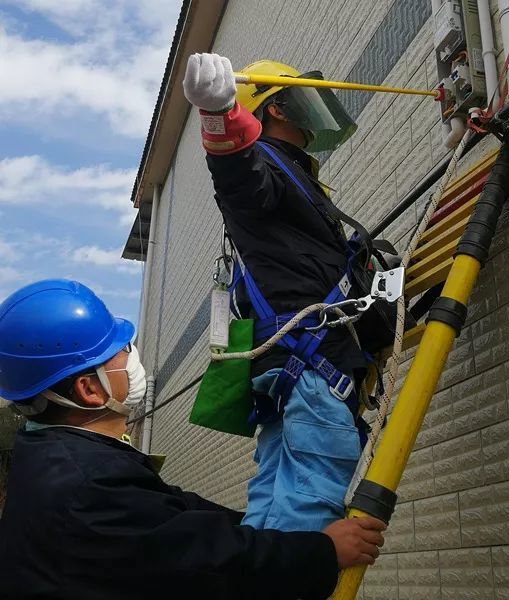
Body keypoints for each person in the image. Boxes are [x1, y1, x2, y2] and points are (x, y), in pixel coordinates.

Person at [0, 280, 385, 600]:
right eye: (121, 351)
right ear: (89, 389)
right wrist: (323, 551)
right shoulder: (87, 483)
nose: (133, 357)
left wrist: (265, 528)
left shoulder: (53, 458)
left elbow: (177, 511)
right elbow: (209, 560)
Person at [183, 53, 379, 533]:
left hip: (294, 368)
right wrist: (219, 115)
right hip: (312, 367)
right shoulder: (265, 163)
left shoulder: (294, 171)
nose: (311, 112)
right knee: (310, 502)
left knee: (273, 501)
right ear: (277, 109)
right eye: (298, 99)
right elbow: (238, 178)